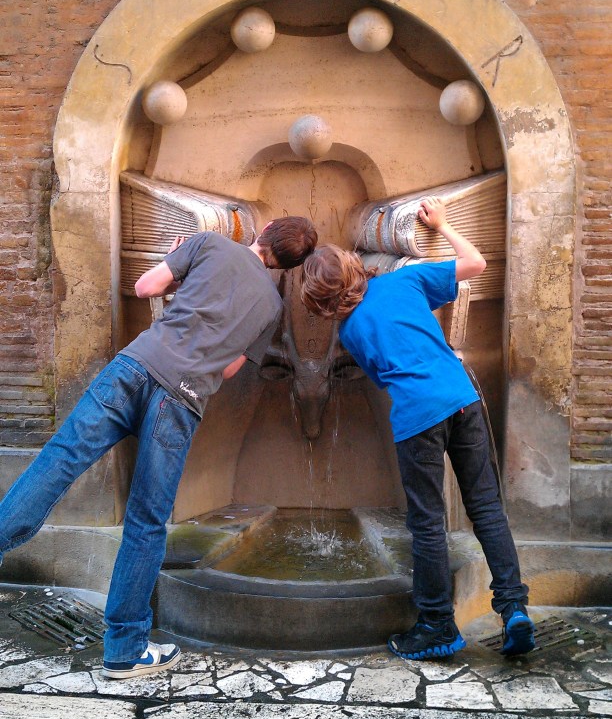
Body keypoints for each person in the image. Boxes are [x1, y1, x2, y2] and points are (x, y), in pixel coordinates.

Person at [0, 217, 317, 678]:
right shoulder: (271, 306)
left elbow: (146, 287)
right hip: (182, 399)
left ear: (265, 229)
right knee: (147, 521)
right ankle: (124, 650)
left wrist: (178, 266)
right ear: (290, 264)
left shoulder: (208, 243)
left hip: (133, 368)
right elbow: (229, 372)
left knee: (58, 461)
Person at [300, 197, 534, 661]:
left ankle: (437, 627)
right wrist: (444, 225)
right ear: (355, 268)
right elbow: (476, 263)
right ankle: (513, 610)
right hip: (462, 399)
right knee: (486, 508)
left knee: (428, 524)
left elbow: (382, 369)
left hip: (416, 419)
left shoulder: (348, 334)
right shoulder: (404, 281)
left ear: (321, 300)